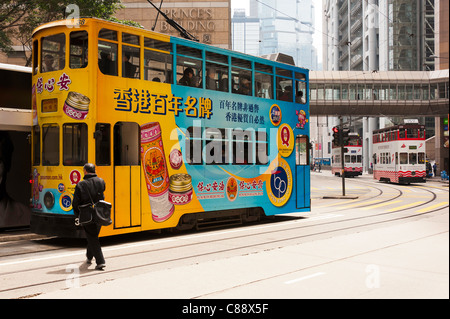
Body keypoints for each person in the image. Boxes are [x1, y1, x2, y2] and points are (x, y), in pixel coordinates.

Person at [72, 163, 106, 270]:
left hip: (87, 214)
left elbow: (75, 203)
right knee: (93, 235)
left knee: (93, 237)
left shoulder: (80, 185)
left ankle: (100, 261)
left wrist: (78, 215)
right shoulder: (101, 181)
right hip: (100, 213)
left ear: (85, 171)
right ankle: (89, 257)